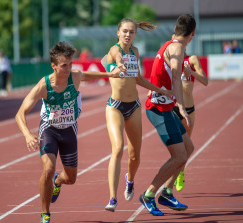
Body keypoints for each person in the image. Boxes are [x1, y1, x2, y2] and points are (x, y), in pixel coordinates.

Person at [15, 41, 121, 223]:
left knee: (71, 178)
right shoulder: (44, 85)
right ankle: (45, 213)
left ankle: (58, 182)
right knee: (48, 169)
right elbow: (20, 114)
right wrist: (27, 134)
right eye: (64, 65)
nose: (68, 68)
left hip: (69, 130)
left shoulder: (75, 77)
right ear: (53, 66)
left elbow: (88, 75)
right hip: (49, 129)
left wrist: (110, 74)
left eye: (70, 64)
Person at [103, 18, 173, 212]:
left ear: (135, 34)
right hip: (115, 106)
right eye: (124, 31)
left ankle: (130, 180)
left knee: (135, 157)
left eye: (131, 32)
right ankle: (112, 198)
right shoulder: (114, 50)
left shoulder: (135, 52)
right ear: (118, 32)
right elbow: (117, 57)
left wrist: (162, 90)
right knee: (118, 149)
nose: (128, 35)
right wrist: (120, 65)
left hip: (133, 107)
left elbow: (139, 79)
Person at [138, 14, 196, 216]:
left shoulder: (169, 45)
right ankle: (148, 195)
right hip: (158, 109)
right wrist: (181, 107)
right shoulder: (178, 49)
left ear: (175, 29)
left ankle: (167, 192)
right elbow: (175, 76)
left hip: (164, 107)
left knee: (188, 148)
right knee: (179, 155)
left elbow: (168, 73)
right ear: (192, 34)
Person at [173, 50, 208, 191]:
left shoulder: (192, 59)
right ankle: (174, 173)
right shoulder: (171, 61)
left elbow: (205, 81)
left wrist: (191, 72)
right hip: (174, 109)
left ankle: (180, 173)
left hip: (189, 110)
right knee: (176, 146)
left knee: (186, 146)